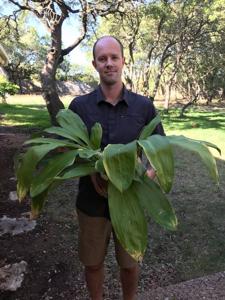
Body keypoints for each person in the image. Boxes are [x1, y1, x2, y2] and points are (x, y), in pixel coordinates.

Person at [69, 36, 165, 300]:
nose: (109, 63)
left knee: (130, 263)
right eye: (103, 59)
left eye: (113, 57)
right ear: (95, 64)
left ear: (123, 61)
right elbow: (68, 150)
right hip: (91, 203)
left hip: (130, 201)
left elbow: (161, 149)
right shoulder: (79, 107)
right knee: (93, 263)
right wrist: (91, 172)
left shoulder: (143, 106)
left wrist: (146, 176)